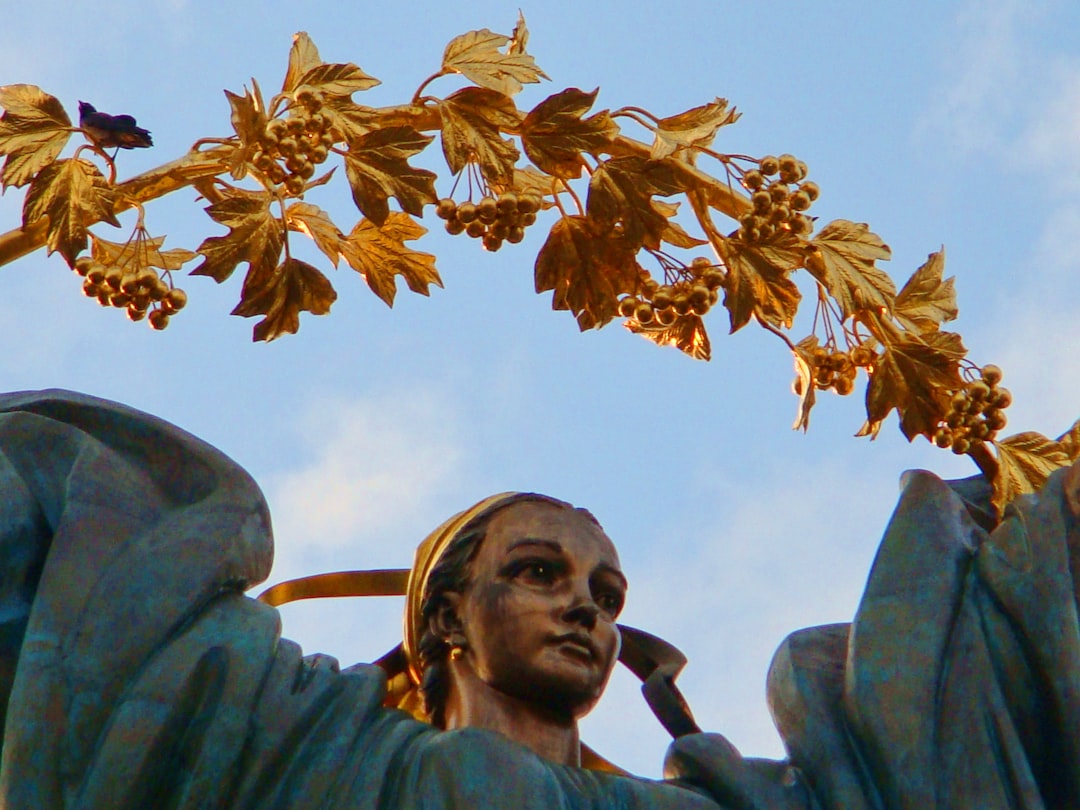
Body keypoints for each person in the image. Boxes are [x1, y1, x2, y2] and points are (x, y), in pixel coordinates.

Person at [1, 388, 1077, 809]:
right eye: (538, 573)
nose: (586, 612)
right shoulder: (316, 749)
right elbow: (116, 608)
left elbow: (927, 753)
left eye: (606, 594)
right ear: (445, 620)